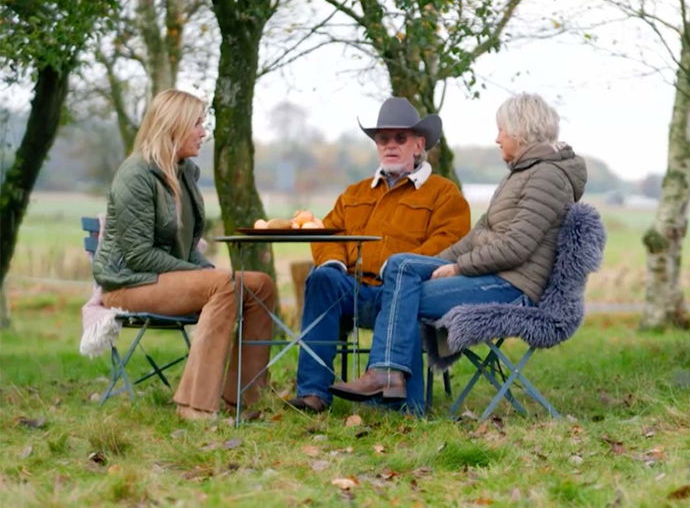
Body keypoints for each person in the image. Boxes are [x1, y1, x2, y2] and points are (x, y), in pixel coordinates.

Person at [329, 93, 587, 410]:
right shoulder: (523, 173)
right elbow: (478, 235)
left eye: (501, 130)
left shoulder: (547, 176)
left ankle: (397, 395)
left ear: (521, 131)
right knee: (403, 267)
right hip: (497, 275)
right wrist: (436, 263)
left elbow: (516, 248)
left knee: (401, 297)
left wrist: (459, 267)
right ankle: (391, 382)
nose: (497, 138)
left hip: (513, 286)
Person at [93, 89, 275, 421]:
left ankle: (244, 401)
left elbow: (188, 246)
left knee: (260, 285)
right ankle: (195, 405)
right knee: (222, 284)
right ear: (173, 126)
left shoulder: (185, 172)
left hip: (164, 279)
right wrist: (207, 276)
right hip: (128, 284)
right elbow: (138, 256)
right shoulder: (135, 175)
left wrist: (205, 270)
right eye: (197, 123)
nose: (204, 132)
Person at [288, 97, 471, 414]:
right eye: (383, 139)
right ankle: (313, 393)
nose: (390, 145)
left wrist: (399, 266)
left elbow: (449, 243)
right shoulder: (355, 193)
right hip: (356, 290)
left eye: (400, 138)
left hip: (405, 293)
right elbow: (328, 232)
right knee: (322, 279)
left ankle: (397, 401)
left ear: (418, 144)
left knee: (403, 293)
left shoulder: (444, 193)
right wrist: (334, 262)